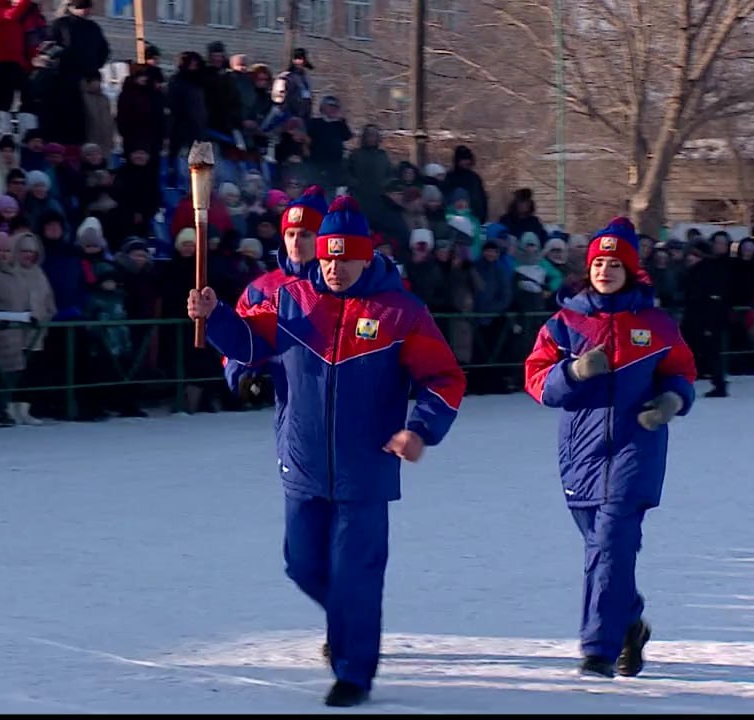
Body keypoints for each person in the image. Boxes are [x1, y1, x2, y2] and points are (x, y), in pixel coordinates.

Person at [187, 196, 466, 707]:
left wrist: (421, 430)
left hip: (366, 469)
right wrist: (217, 317)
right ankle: (349, 624)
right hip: (303, 463)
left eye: (345, 258)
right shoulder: (293, 300)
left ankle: (353, 673)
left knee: (357, 573)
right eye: (328, 258)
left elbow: (443, 378)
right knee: (303, 565)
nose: (334, 268)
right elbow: (250, 347)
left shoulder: (399, 312)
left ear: (366, 258)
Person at [524, 217, 698, 679]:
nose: (605, 269)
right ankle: (629, 623)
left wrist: (671, 399)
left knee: (609, 544)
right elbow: (537, 381)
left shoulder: (656, 324)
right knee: (607, 552)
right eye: (598, 261)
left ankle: (597, 650)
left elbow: (681, 372)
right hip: (580, 453)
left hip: (636, 445)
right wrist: (575, 372)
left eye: (614, 263)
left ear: (630, 270)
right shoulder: (564, 324)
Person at [222, 185, 327, 404]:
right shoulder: (262, 289)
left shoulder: (342, 283)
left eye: (306, 235)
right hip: (288, 406)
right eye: (290, 234)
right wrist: (244, 377)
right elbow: (242, 340)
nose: (296, 242)